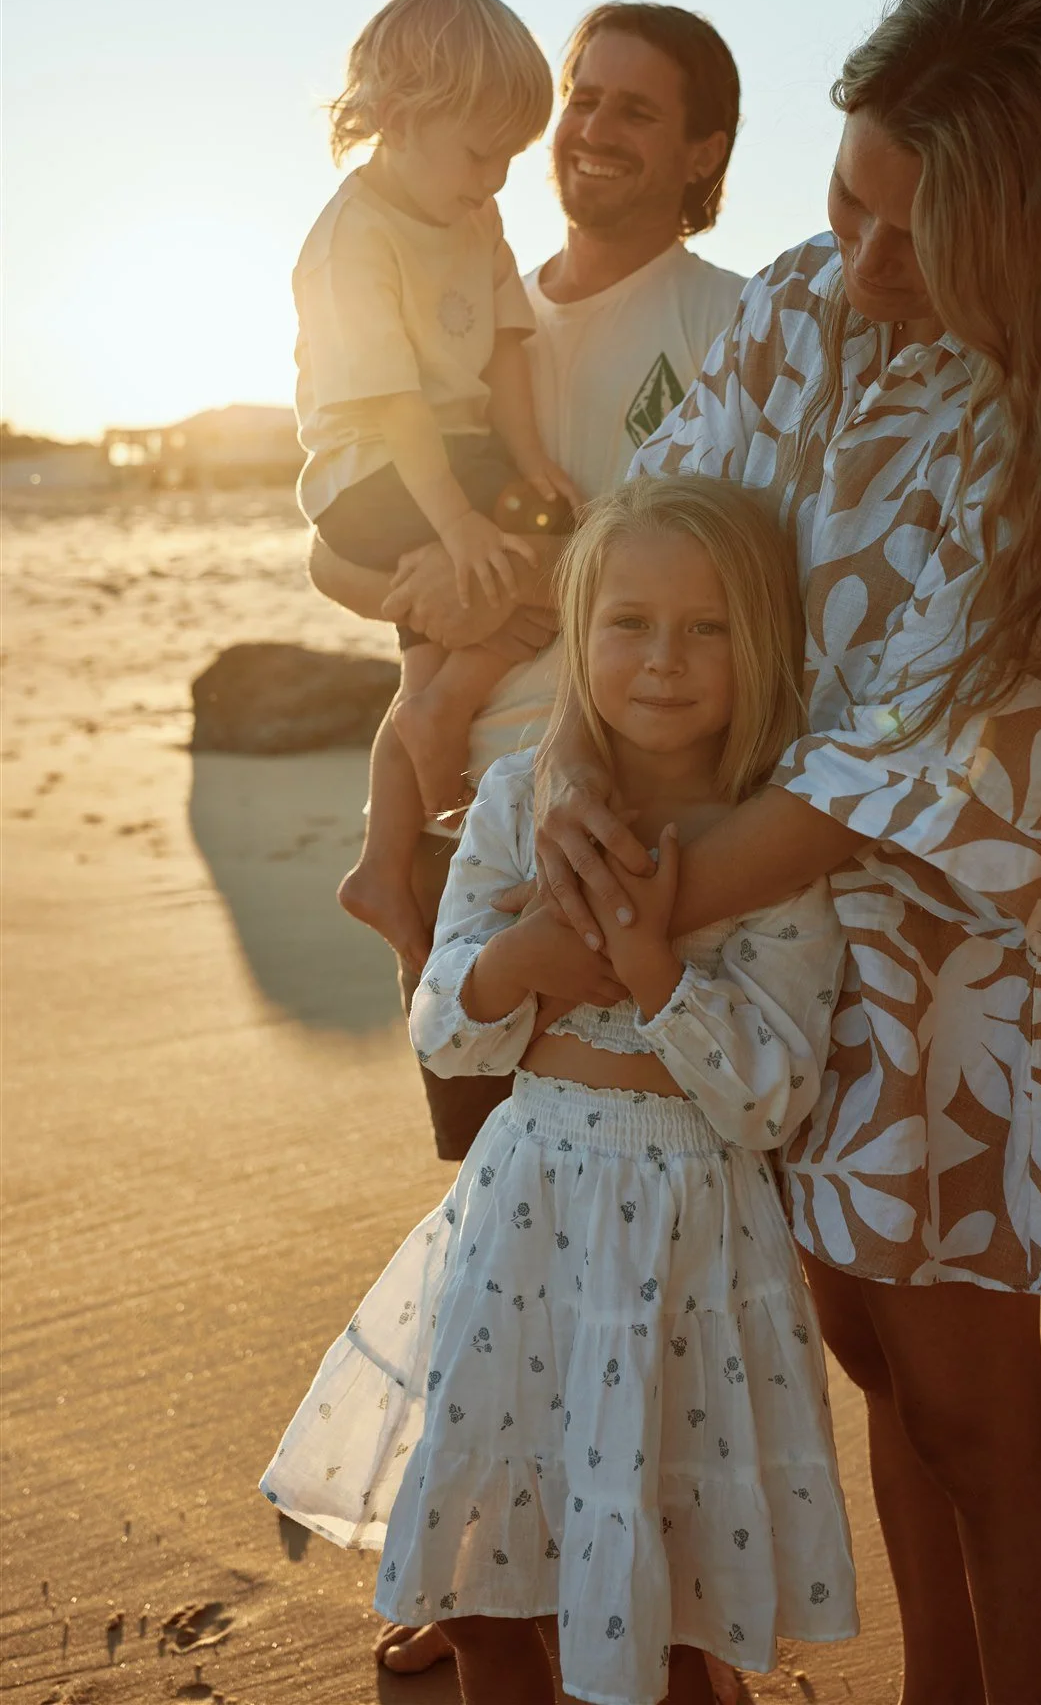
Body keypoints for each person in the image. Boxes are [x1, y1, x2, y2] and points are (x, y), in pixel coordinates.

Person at [532, 0, 1041, 1705]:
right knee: (866, 1340)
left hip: (968, 937)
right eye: (852, 197)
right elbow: (656, 535)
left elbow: (888, 784)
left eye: (924, 233)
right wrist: (566, 760)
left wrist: (626, 915)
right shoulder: (801, 304)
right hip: (791, 909)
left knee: (972, 1393)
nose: (869, 258)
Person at [260, 477, 860, 1705]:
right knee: (487, 1583)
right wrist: (515, 963)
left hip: (693, 1243)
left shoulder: (774, 842)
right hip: (525, 1217)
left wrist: (653, 973)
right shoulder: (513, 803)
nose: (664, 659)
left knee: (677, 1607)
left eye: (708, 627)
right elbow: (444, 1033)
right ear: (579, 635)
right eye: (629, 622)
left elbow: (768, 1100)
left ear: (763, 645)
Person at [294, 0, 581, 975]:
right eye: (478, 152)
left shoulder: (472, 217)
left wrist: (532, 452)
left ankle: (381, 861)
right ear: (400, 116)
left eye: (511, 156)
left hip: (457, 452)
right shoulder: (352, 238)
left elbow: (503, 344)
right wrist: (460, 524)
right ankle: (444, 705)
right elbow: (393, 406)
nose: (496, 180)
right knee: (539, 582)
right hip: (368, 468)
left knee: (437, 657)